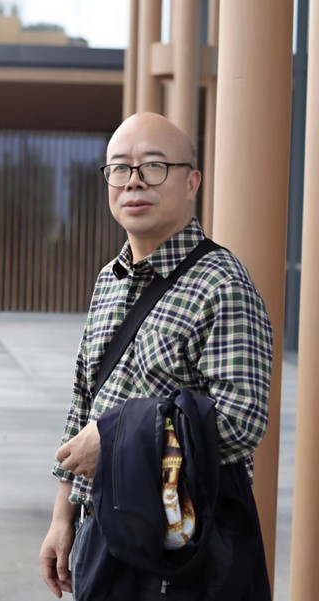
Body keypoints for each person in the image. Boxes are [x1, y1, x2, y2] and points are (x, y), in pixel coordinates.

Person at [39, 112, 273, 599]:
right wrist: (64, 516)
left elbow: (239, 422)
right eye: (120, 168)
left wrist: (114, 439)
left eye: (154, 166)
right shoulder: (110, 278)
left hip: (183, 545)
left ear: (192, 182)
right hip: (102, 533)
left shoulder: (222, 284)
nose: (134, 181)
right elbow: (83, 401)